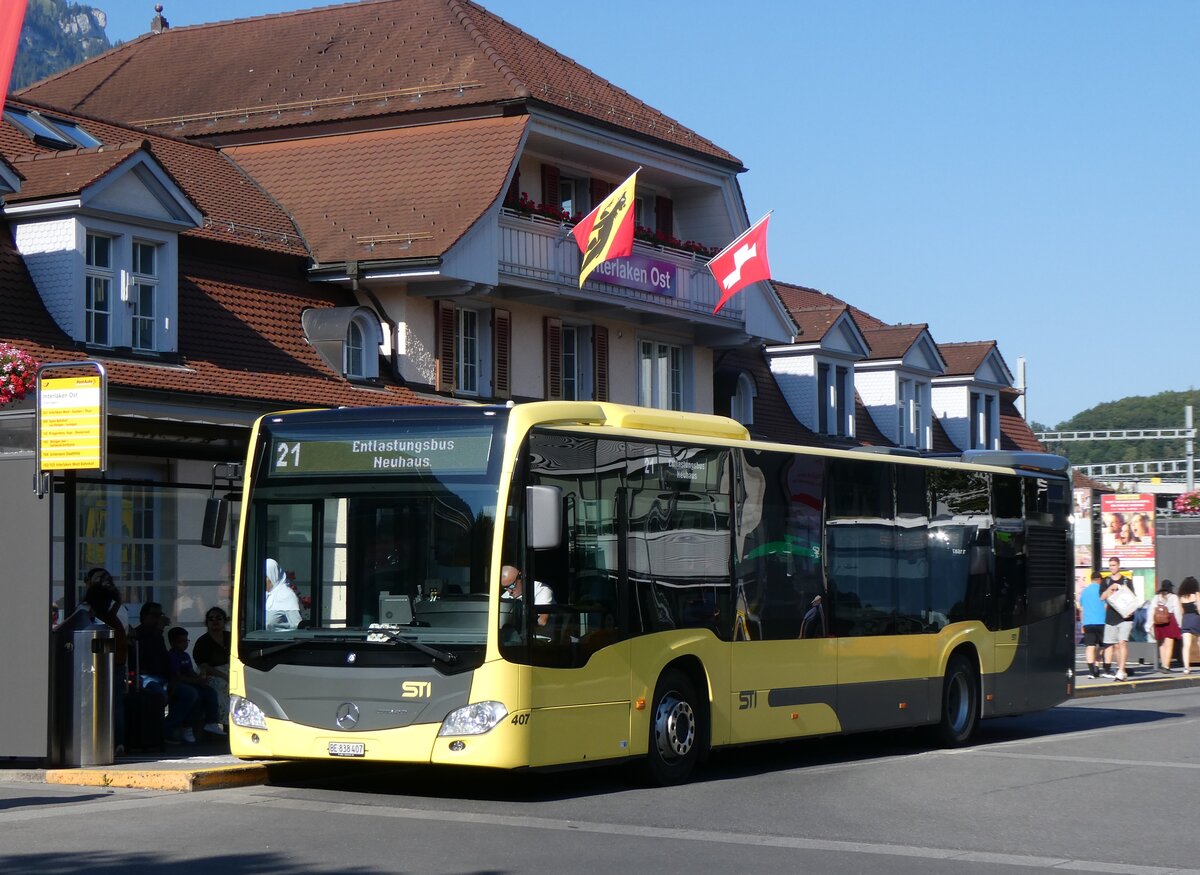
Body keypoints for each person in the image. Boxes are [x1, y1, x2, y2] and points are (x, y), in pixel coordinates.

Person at [133, 601, 196, 743]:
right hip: (146, 677)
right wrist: (159, 628)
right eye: (155, 615)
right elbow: (147, 654)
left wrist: (173, 678)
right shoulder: (139, 634)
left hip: (163, 678)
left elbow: (163, 659)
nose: (158, 618)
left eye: (160, 615)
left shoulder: (158, 635)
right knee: (161, 696)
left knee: (190, 693)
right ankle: (156, 733)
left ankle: (168, 729)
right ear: (144, 616)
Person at [81, 567, 128, 755]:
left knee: (91, 702)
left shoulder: (93, 613)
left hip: (98, 661)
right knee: (115, 703)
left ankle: (96, 741)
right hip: (117, 660)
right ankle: (118, 742)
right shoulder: (119, 610)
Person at [166, 626, 226, 740]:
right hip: (176, 684)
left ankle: (211, 722)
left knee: (210, 692)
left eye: (186, 641)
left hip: (189, 682)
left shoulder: (185, 655)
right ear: (173, 642)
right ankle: (187, 726)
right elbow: (178, 677)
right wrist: (195, 681)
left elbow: (190, 671)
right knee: (194, 694)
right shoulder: (172, 656)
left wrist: (200, 679)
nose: (185, 644)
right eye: (181, 641)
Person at [1100, 556, 1136, 681]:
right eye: (1110, 565)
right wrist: (1110, 588)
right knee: (1115, 646)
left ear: (1119, 566)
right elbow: (1102, 597)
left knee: (1122, 642)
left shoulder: (1126, 581)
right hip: (1111, 617)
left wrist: (1131, 611)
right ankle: (1122, 669)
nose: (1112, 568)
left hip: (1125, 617)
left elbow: (1132, 598)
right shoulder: (1106, 581)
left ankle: (1121, 670)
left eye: (1114, 565)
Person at [193, 606, 230, 726]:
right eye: (211, 619)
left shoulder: (230, 637)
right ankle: (221, 723)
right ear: (207, 622)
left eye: (218, 618)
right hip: (213, 674)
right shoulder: (203, 642)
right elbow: (204, 666)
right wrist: (224, 676)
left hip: (232, 671)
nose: (215, 621)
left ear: (224, 621)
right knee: (221, 688)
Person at [1147, 580, 1182, 672]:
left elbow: (1151, 611)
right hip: (1170, 620)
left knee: (1161, 644)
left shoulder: (1156, 597)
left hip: (1158, 622)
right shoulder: (1174, 597)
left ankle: (1163, 664)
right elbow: (1177, 612)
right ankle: (1166, 666)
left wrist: (1149, 624)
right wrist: (1179, 624)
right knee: (1169, 644)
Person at [1079, 571, 1107, 678]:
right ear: (1099, 579)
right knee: (1103, 646)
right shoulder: (1102, 590)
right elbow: (1106, 606)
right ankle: (1097, 665)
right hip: (1101, 622)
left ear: (1091, 580)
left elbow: (1081, 609)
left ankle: (1091, 671)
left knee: (1090, 646)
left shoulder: (1084, 592)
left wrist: (1082, 624)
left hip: (1088, 623)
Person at [265, 558, 301, 631]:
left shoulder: (287, 596)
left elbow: (297, 627)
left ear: (273, 576)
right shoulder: (263, 595)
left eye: (266, 577)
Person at [1178, 576, 1200, 674]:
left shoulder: (1182, 597)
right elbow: (1199, 609)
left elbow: (1181, 612)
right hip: (1196, 619)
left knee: (1186, 645)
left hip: (1186, 620)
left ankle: (1186, 668)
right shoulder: (1196, 594)